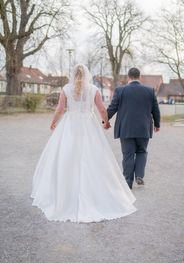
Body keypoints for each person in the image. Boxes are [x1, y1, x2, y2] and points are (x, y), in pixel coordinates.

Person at [31, 64, 137, 223]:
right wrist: (105, 122)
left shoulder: (66, 88)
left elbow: (60, 109)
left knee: (67, 156)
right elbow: (101, 109)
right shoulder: (94, 89)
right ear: (87, 75)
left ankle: (65, 192)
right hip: (89, 125)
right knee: (93, 157)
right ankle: (98, 192)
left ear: (73, 75)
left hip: (70, 125)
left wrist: (54, 123)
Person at [104, 67, 160, 189]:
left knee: (128, 155)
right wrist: (157, 124)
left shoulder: (120, 90)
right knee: (141, 151)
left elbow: (113, 107)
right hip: (143, 128)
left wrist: (105, 120)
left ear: (128, 77)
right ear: (139, 77)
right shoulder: (149, 91)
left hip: (126, 129)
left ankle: (128, 182)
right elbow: (155, 109)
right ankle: (139, 175)